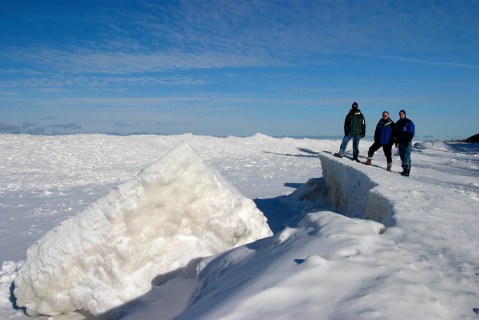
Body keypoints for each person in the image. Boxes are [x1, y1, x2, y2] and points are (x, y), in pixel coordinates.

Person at [395, 109, 415, 176]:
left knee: (406, 155)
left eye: (402, 113)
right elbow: (396, 133)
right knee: (402, 155)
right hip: (400, 142)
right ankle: (404, 169)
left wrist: (408, 139)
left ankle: (407, 170)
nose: (401, 114)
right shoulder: (398, 123)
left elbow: (411, 132)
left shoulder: (408, 122)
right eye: (400, 113)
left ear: (405, 114)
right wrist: (396, 141)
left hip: (407, 141)